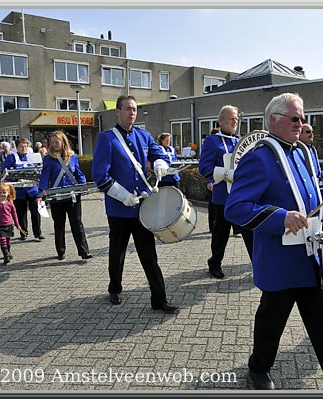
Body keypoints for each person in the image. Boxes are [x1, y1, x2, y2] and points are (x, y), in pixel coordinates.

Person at [225, 92, 323, 391]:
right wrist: (280, 217)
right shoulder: (258, 158)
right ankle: (259, 368)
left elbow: (308, 198)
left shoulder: (301, 152)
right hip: (279, 261)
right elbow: (235, 208)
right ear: (274, 120)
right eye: (295, 118)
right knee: (271, 324)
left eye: (303, 118)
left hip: (310, 257)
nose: (301, 123)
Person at [92, 95, 179, 313]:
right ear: (118, 112)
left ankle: (159, 299)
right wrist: (121, 195)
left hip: (142, 207)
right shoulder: (107, 138)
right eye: (128, 109)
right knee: (117, 252)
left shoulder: (144, 135)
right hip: (119, 209)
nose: (132, 113)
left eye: (134, 109)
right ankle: (115, 288)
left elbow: (158, 153)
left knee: (149, 255)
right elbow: (99, 175)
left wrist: (160, 162)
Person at [198, 105, 253, 279]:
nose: (234, 121)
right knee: (220, 235)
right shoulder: (212, 141)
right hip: (222, 197)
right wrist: (225, 173)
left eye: (236, 118)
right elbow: (204, 167)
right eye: (231, 118)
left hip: (242, 196)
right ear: (220, 120)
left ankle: (258, 264)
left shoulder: (239, 141)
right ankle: (214, 263)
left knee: (250, 233)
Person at [37, 130, 92, 261]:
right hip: (56, 197)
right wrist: (41, 192)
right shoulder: (49, 159)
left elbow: (78, 174)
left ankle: (84, 251)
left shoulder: (73, 157)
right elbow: (44, 177)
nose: (55, 144)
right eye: (53, 142)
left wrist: (83, 185)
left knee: (77, 224)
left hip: (72, 195)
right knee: (59, 225)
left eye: (57, 142)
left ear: (63, 142)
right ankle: (60, 251)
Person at [2, 138, 44, 241]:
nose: (24, 148)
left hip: (33, 189)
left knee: (36, 212)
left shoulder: (33, 156)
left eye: (26, 146)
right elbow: (4, 171)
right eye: (21, 146)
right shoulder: (11, 157)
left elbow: (40, 168)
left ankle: (38, 233)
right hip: (19, 190)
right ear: (17, 147)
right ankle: (23, 232)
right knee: (21, 213)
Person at [0, 183, 23, 264]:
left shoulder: (10, 204)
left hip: (8, 225)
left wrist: (17, 225)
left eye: (4, 192)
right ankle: (5, 255)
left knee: (8, 240)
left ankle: (8, 251)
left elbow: (14, 215)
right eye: (0, 192)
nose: (2, 194)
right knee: (2, 240)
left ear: (8, 193)